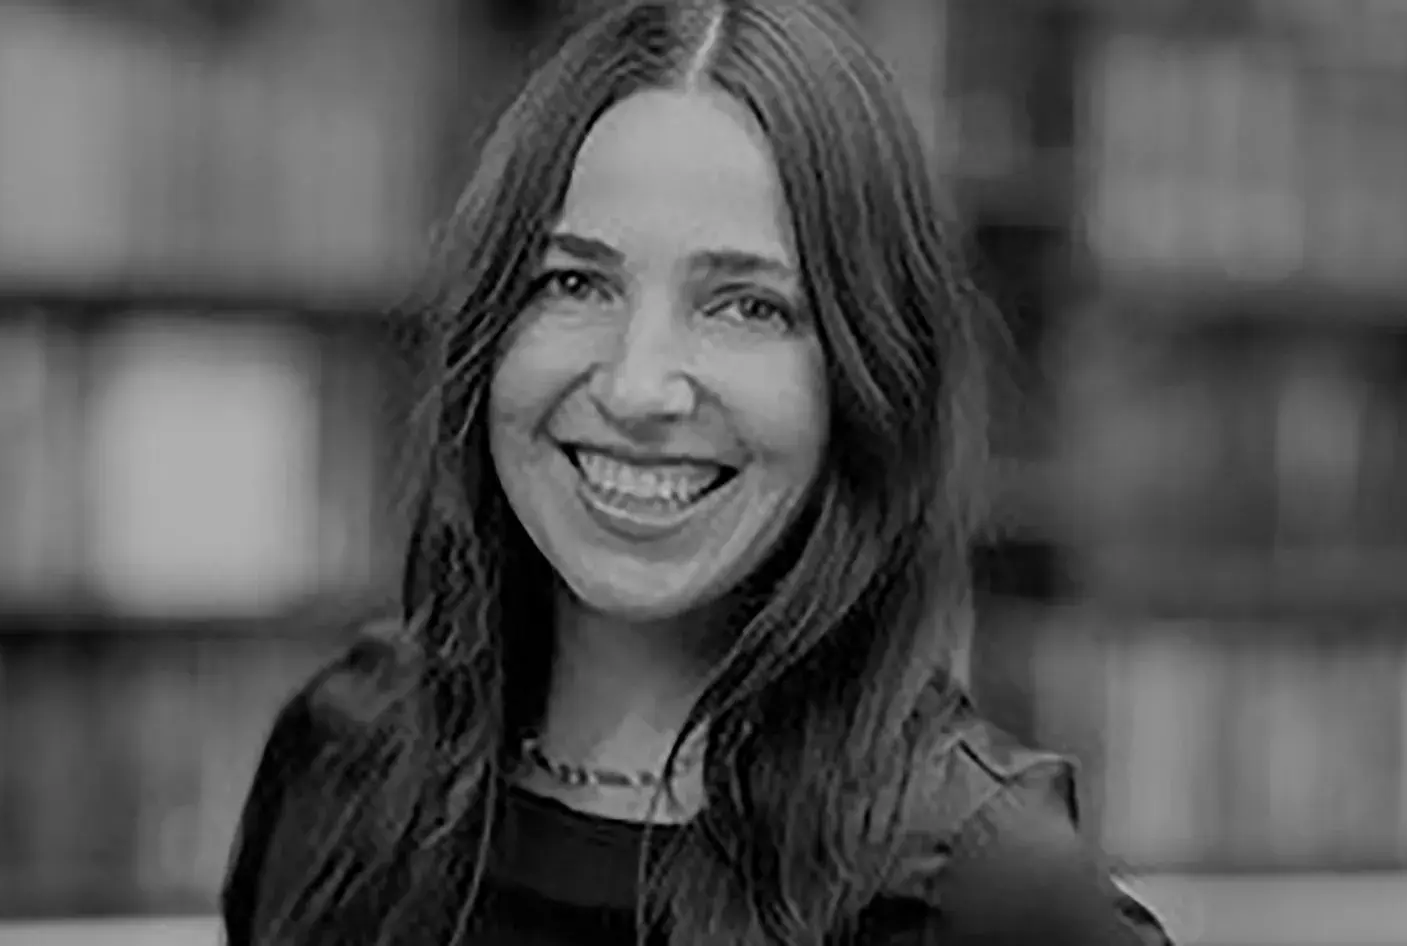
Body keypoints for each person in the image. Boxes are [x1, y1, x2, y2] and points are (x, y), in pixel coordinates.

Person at [222, 0, 1172, 944]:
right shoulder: (342, 760)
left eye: (747, 306)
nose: (640, 388)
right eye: (574, 283)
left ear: (868, 376)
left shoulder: (988, 890)